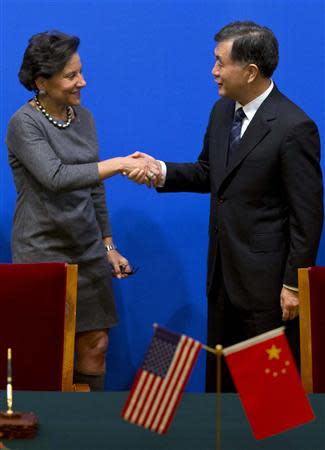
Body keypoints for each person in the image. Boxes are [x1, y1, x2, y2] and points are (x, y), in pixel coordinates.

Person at [127, 21, 323, 391]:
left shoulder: (295, 127)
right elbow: (209, 173)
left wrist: (293, 286)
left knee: (269, 399)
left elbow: (308, 215)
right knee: (222, 393)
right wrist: (159, 171)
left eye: (220, 62)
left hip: (268, 290)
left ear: (250, 72)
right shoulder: (222, 113)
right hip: (221, 280)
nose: (213, 71)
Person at [6, 31, 158, 391]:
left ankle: (89, 434)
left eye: (81, 72)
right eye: (71, 75)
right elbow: (56, 178)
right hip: (41, 252)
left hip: (88, 250)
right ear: (42, 82)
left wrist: (108, 245)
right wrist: (120, 163)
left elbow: (93, 187)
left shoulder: (84, 118)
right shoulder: (23, 124)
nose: (82, 82)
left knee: (96, 346)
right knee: (46, 355)